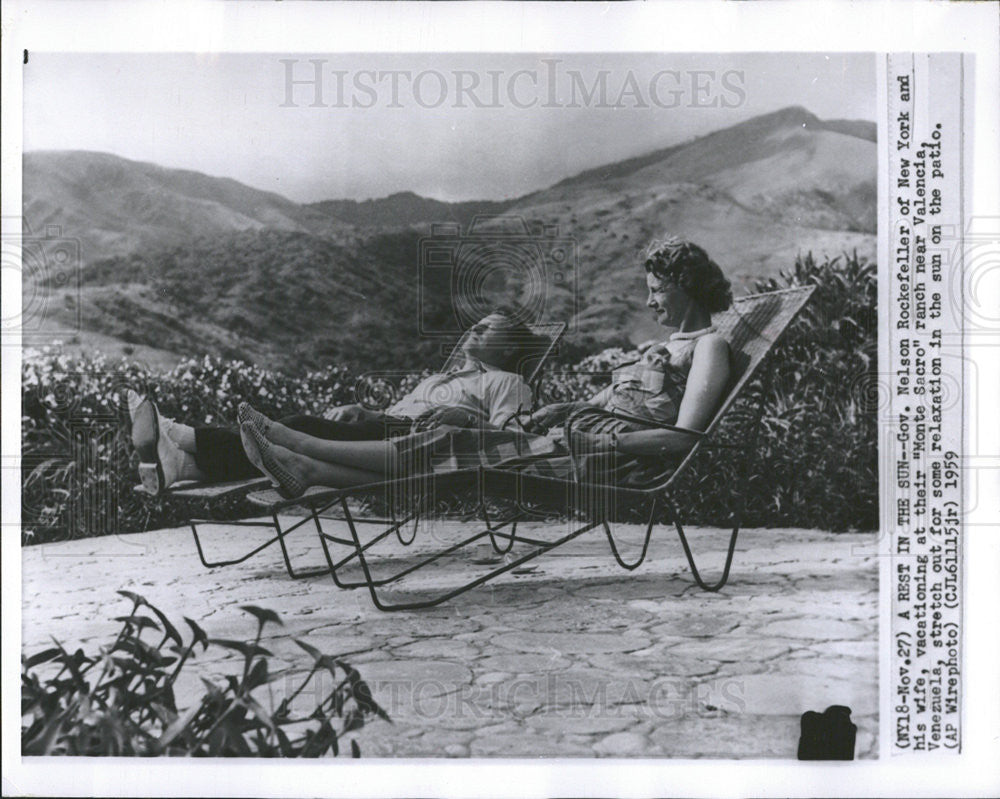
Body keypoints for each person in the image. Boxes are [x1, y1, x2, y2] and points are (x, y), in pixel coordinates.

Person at [236, 236, 734, 497]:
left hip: (609, 461)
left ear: (686, 286)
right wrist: (566, 405)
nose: (649, 303)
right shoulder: (664, 345)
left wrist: (602, 440)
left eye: (658, 289)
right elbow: (613, 402)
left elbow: (685, 438)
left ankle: (299, 444)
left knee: (451, 447)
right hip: (576, 438)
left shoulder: (708, 347)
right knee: (445, 457)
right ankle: (306, 465)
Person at [128, 310, 541, 495]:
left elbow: (513, 442)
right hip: (386, 431)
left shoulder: (508, 381)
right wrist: (368, 412)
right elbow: (392, 415)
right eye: (477, 323)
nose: (477, 328)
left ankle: (182, 438)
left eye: (490, 329)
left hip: (422, 441)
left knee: (300, 425)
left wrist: (464, 419)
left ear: (508, 350)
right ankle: (182, 463)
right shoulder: (442, 376)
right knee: (303, 426)